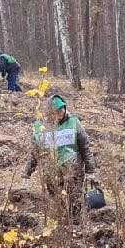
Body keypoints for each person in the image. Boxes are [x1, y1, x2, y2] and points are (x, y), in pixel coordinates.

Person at [22, 94, 96, 223]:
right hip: (50, 171)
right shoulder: (40, 128)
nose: (60, 113)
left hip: (73, 169)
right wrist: (26, 173)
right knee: (54, 200)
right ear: (49, 113)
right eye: (56, 111)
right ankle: (58, 224)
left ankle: (76, 224)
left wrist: (90, 170)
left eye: (62, 109)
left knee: (75, 199)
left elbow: (85, 147)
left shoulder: (74, 122)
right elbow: (34, 153)